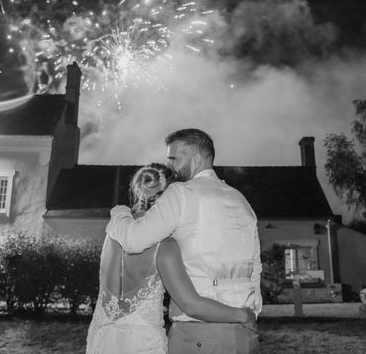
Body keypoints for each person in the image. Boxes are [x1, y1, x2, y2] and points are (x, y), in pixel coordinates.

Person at [106, 129, 262, 354]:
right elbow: (255, 269)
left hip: (199, 336)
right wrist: (251, 313)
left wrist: (118, 213)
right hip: (245, 334)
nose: (170, 167)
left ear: (196, 159)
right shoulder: (241, 200)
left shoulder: (182, 193)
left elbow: (133, 241)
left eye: (174, 159)